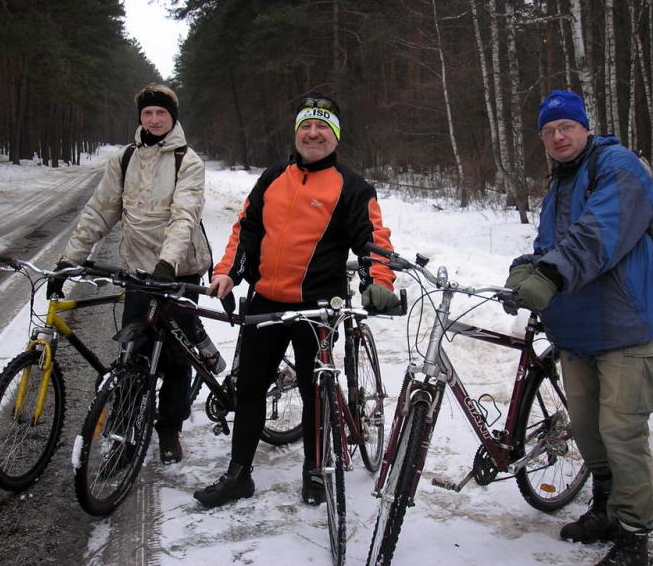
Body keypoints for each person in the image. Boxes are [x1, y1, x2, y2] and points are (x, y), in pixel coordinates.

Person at [193, 93, 399, 508]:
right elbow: (245, 229)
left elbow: (374, 240)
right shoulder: (273, 177)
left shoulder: (353, 187)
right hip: (266, 300)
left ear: (336, 136)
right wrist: (228, 272)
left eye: (323, 126)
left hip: (317, 308)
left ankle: (315, 470)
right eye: (306, 126)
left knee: (315, 392)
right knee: (250, 389)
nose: (313, 133)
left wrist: (380, 281)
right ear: (296, 133)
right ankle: (238, 475)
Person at [504, 90, 653, 566]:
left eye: (565, 127)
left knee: (621, 431)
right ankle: (604, 509)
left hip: (622, 326)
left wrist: (549, 275)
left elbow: (599, 234)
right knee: (589, 431)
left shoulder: (619, 167)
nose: (557, 137)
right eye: (548, 132)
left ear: (586, 128)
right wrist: (524, 266)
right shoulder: (560, 185)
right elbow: (551, 243)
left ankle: (635, 534)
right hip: (574, 330)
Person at [48, 83, 212, 464]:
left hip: (178, 272)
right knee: (132, 353)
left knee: (174, 356)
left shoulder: (188, 161)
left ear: (173, 117)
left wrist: (167, 263)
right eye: (147, 113)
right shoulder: (124, 160)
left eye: (161, 113)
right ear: (140, 118)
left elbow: (184, 215)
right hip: (139, 273)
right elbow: (100, 211)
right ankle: (122, 433)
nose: (154, 120)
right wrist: (69, 259)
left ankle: (169, 429)